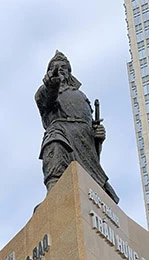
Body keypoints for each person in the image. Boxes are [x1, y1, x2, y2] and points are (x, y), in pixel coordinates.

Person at [35, 51, 118, 203]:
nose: (60, 69)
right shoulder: (45, 91)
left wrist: (97, 137)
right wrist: (52, 85)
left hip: (84, 140)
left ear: (69, 72)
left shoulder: (81, 95)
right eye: (55, 67)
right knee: (56, 148)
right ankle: (55, 196)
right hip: (60, 131)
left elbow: (89, 123)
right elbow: (47, 99)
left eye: (63, 67)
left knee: (93, 184)